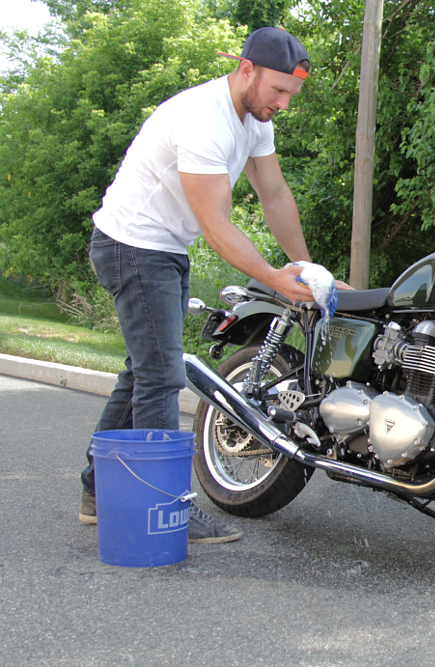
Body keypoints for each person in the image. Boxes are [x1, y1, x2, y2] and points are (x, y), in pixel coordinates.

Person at [79, 27, 341, 543]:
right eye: (278, 91)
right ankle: (164, 506)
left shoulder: (254, 118)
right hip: (132, 246)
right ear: (247, 70)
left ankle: (96, 490)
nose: (284, 104)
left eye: (292, 94)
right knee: (159, 377)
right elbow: (217, 222)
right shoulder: (203, 119)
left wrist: (307, 269)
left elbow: (274, 194)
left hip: (163, 249)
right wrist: (271, 279)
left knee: (141, 372)